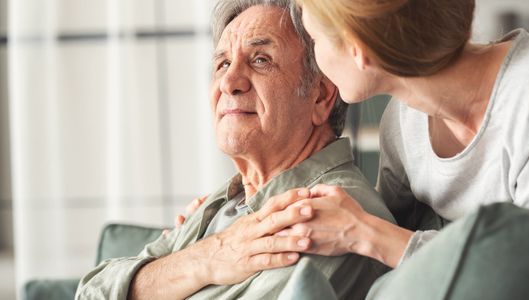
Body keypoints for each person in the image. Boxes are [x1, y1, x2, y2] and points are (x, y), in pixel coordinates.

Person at [179, 0, 529, 298]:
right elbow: (381, 252)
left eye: (314, 38)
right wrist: (221, 220)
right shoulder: (403, 124)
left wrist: (365, 232)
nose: (316, 61)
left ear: (358, 50)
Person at [75, 1, 396, 299]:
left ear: (321, 97)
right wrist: (205, 258)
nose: (229, 81)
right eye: (223, 63)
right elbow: (91, 290)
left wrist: (167, 278)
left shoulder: (331, 215)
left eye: (260, 60)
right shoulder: (227, 202)